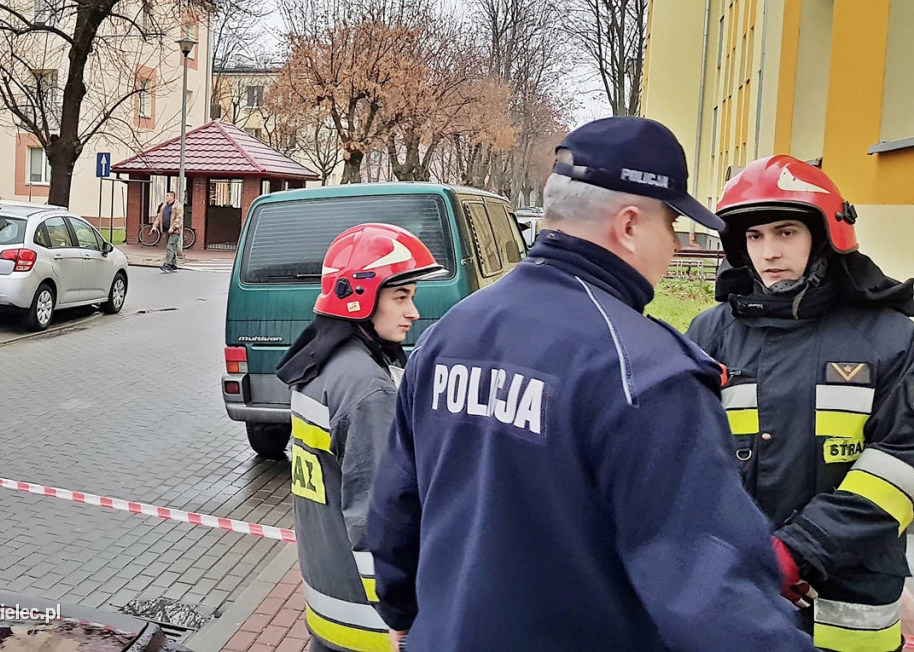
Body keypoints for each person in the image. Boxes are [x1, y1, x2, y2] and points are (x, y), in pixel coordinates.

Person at [367, 117, 815, 652]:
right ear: (628, 225)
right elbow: (716, 594)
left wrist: (405, 614)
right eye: (670, 225)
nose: (673, 247)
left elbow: (397, 506)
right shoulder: (645, 373)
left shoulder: (449, 335)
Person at [686, 155, 914, 652]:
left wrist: (798, 551)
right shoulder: (710, 333)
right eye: (754, 236)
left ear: (824, 235)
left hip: (852, 601)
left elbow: (903, 463)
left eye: (785, 232)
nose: (768, 252)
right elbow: (689, 455)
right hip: (739, 586)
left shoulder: (890, 337)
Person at [275, 223, 444, 652]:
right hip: (370, 628)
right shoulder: (368, 389)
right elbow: (379, 519)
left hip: (327, 605)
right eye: (401, 297)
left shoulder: (321, 367)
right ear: (361, 298)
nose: (413, 313)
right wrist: (401, 615)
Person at [151, 191, 182, 272]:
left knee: (170, 246)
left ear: (172, 197)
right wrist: (155, 226)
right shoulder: (164, 206)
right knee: (170, 248)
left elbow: (179, 218)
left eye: (168, 196)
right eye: (166, 196)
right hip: (166, 230)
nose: (166, 197)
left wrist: (173, 227)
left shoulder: (178, 206)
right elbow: (159, 217)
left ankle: (167, 264)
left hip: (174, 231)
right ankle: (173, 264)